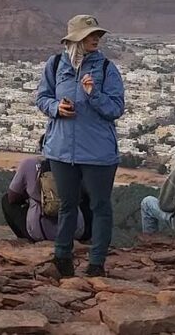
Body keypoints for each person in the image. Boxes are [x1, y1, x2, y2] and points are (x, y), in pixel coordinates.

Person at [36, 15, 125, 278]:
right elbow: (42, 98)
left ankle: (96, 263)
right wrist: (56, 108)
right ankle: (62, 258)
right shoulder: (55, 65)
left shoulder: (107, 68)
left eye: (97, 34)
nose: (96, 38)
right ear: (75, 39)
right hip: (62, 150)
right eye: (90, 35)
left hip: (98, 153)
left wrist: (93, 94)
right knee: (66, 204)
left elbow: (115, 108)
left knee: (100, 206)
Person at [2, 143, 86, 243]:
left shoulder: (29, 163)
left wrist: (31, 195)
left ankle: (26, 240)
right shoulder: (77, 163)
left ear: (42, 147)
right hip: (74, 231)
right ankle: (86, 239)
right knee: (91, 201)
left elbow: (12, 197)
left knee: (6, 200)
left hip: (40, 231)